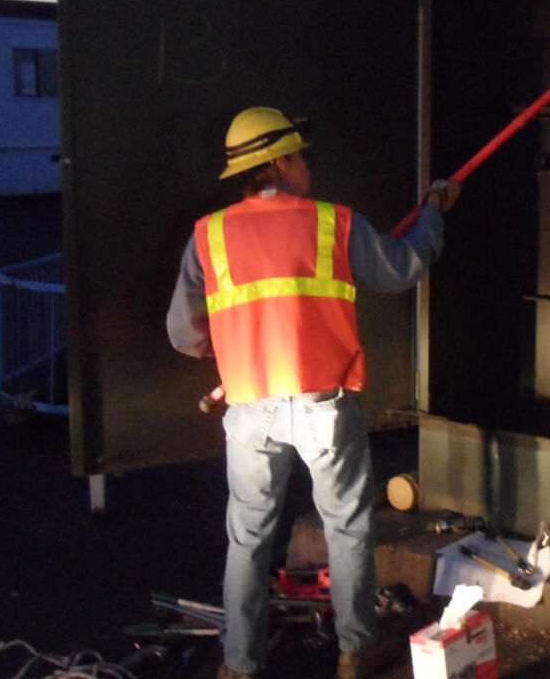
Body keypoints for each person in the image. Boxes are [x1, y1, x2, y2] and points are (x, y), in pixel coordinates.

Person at [166, 106, 459, 679]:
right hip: (324, 404)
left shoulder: (210, 235)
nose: (307, 167)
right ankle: (356, 649)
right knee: (346, 526)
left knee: (247, 537)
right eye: (300, 157)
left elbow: (183, 332)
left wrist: (225, 349)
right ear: (279, 162)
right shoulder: (332, 223)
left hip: (248, 404)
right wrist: (433, 211)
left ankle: (240, 665)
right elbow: (405, 267)